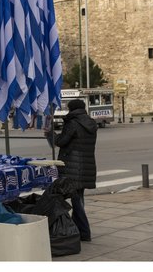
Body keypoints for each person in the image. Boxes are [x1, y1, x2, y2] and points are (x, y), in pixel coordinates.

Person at [54, 98, 98, 242]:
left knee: (75, 200)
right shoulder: (90, 123)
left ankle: (84, 232)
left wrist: (53, 136)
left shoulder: (73, 123)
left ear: (72, 109)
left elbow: (61, 142)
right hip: (86, 165)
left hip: (72, 166)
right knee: (78, 198)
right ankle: (78, 230)